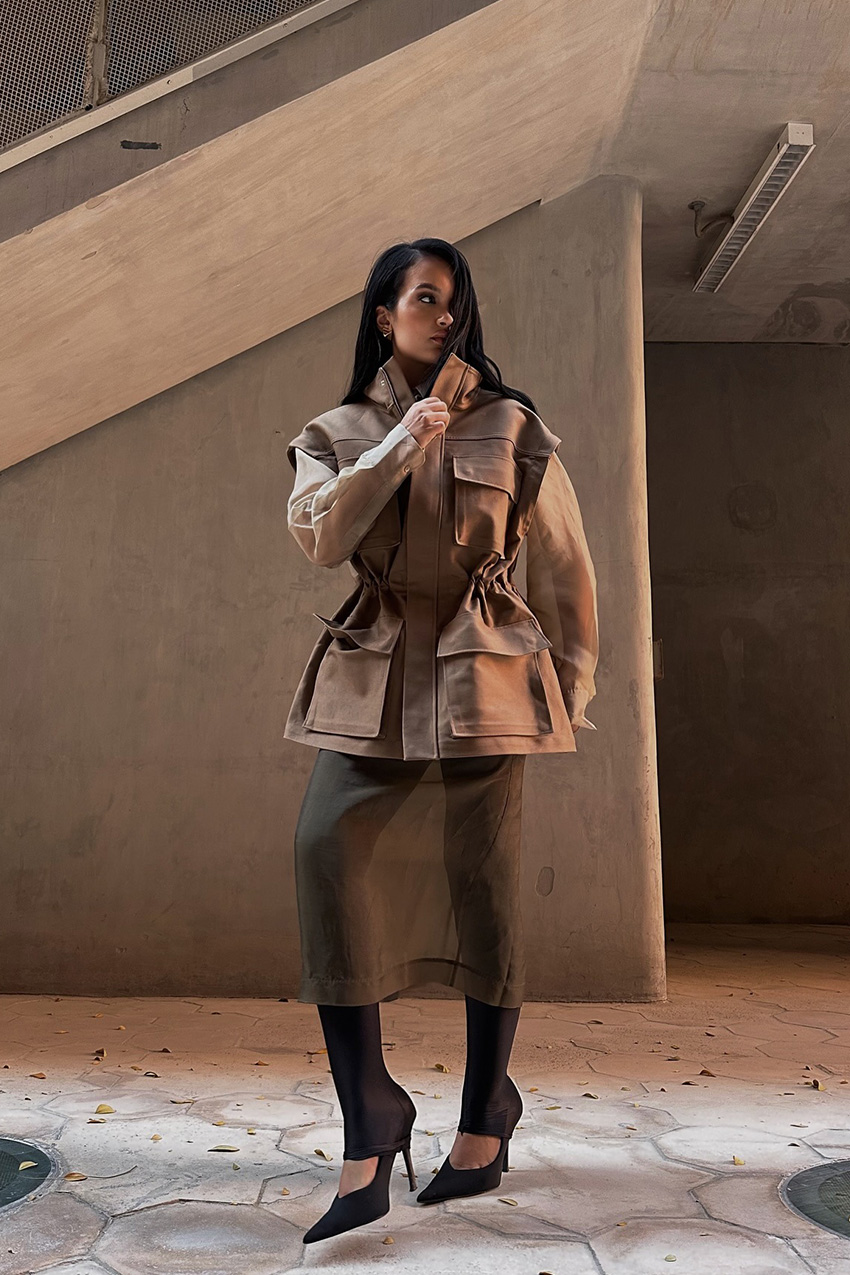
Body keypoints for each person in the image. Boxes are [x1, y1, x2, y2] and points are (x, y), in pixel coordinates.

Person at [284, 237, 598, 1243]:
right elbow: (322, 539)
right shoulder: (331, 431)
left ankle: (482, 1116)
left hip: (488, 682)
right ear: (382, 313)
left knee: (485, 889)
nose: (442, 316)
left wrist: (571, 690)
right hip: (373, 677)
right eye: (423, 299)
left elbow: (564, 572)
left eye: (454, 303)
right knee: (325, 850)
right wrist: (397, 444)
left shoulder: (513, 426)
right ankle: (370, 1113)